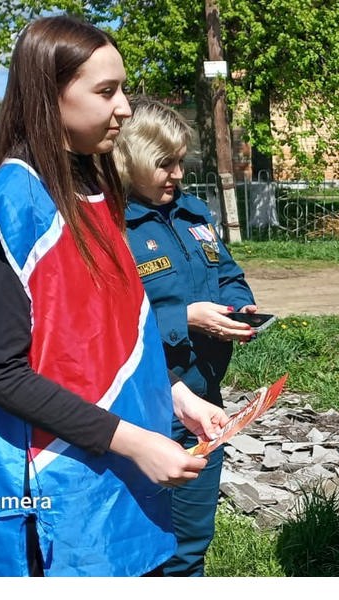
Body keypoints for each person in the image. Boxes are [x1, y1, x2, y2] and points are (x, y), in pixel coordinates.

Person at [0, 15, 227, 577]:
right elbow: (0, 373)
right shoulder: (10, 208)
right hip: (62, 489)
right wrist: (133, 442)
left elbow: (110, 335)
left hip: (117, 479)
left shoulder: (98, 195)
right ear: (47, 96)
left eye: (123, 88)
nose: (126, 107)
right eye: (106, 91)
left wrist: (177, 397)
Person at [114, 97, 258, 577]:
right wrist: (185, 317)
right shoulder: (110, 227)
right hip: (141, 407)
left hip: (202, 395)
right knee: (141, 542)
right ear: (126, 158)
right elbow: (108, 323)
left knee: (192, 538)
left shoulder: (194, 213)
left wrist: (240, 309)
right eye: (163, 163)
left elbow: (229, 274)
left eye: (181, 161)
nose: (176, 174)